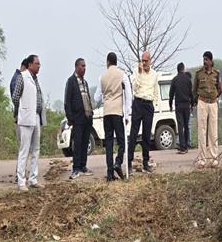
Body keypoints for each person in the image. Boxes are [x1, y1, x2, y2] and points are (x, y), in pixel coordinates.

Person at [94, 52, 132, 181]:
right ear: (116, 62)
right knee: (121, 141)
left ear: (107, 62)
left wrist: (106, 96)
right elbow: (128, 95)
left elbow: (96, 97)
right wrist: (127, 113)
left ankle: (110, 173)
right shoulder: (122, 75)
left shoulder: (102, 77)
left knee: (109, 143)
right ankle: (118, 162)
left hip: (107, 112)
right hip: (117, 112)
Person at [12, 54, 46, 191]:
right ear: (30, 64)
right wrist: (23, 109)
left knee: (36, 149)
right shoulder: (22, 77)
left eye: (39, 64)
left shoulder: (35, 79)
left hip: (36, 116)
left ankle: (33, 179)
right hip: (26, 117)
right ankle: (21, 182)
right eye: (37, 64)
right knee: (24, 150)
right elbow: (15, 97)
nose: (39, 66)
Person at [128, 51, 159, 175]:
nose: (144, 63)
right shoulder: (136, 71)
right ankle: (129, 162)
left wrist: (154, 104)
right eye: (143, 60)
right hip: (138, 103)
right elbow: (134, 88)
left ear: (150, 61)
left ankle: (145, 162)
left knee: (147, 135)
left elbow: (155, 90)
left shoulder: (154, 74)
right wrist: (140, 73)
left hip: (148, 105)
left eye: (146, 60)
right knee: (134, 133)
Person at [64, 58, 94, 179]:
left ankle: (83, 166)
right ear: (76, 67)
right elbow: (67, 102)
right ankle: (76, 168)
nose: (84, 68)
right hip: (77, 118)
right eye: (82, 66)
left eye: (85, 66)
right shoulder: (71, 81)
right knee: (77, 144)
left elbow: (88, 99)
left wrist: (91, 114)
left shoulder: (85, 82)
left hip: (87, 118)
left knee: (85, 143)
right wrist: (70, 118)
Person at [193, 51, 222, 169]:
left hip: (213, 104)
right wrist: (196, 101)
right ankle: (201, 160)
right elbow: (194, 89)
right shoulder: (198, 73)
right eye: (204, 59)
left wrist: (214, 97)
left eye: (206, 59)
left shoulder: (216, 74)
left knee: (213, 131)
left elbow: (220, 89)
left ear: (211, 61)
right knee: (202, 131)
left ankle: (213, 159)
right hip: (202, 103)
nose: (204, 62)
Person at [169, 62, 193, 154]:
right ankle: (186, 145)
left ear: (177, 69)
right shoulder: (188, 79)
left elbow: (171, 93)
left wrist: (170, 104)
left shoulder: (175, 79)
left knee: (180, 125)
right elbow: (191, 93)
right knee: (186, 126)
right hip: (186, 105)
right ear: (183, 69)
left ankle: (182, 146)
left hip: (178, 106)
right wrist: (192, 104)